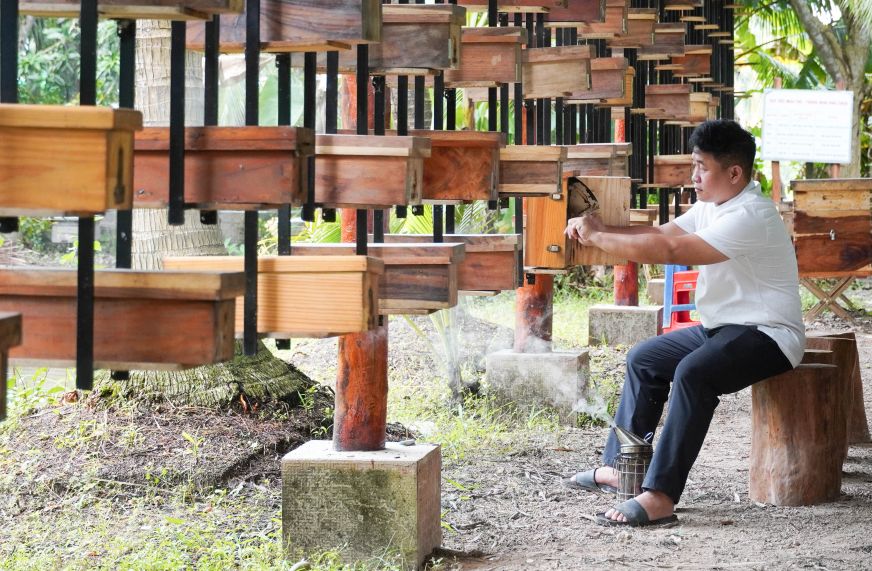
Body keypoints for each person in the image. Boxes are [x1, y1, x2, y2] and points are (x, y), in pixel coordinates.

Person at [563, 119, 805, 527]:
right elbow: (660, 231)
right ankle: (621, 468)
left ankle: (660, 495)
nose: (693, 176)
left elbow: (672, 248)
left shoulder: (752, 215)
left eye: (702, 167)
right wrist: (599, 228)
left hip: (770, 335)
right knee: (645, 357)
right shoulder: (712, 205)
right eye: (693, 165)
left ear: (734, 173)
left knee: (694, 373)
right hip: (723, 328)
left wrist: (599, 235)